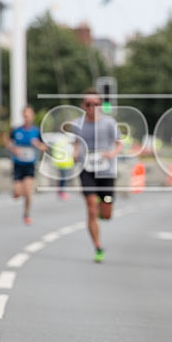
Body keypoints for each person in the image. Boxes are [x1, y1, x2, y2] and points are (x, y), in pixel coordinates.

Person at [72, 89, 122, 263]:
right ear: (83, 106)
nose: (92, 107)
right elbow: (75, 144)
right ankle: (98, 246)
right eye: (88, 104)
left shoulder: (109, 123)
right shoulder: (77, 124)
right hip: (86, 169)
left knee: (106, 214)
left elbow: (119, 144)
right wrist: (74, 153)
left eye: (96, 104)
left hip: (106, 170)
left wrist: (112, 153)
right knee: (91, 208)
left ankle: (103, 204)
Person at [4, 106, 45, 224]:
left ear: (32, 116)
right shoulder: (17, 131)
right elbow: (7, 143)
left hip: (29, 166)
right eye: (25, 115)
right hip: (18, 165)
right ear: (23, 116)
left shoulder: (36, 131)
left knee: (28, 192)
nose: (27, 118)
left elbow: (44, 147)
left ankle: (26, 214)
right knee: (17, 192)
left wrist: (38, 145)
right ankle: (17, 192)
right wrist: (13, 149)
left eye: (29, 115)